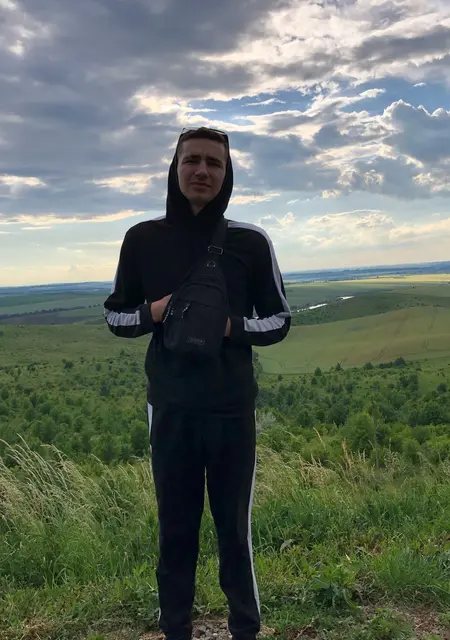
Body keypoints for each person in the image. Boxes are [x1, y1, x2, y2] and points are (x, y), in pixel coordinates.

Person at [104, 127, 291, 640]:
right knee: (176, 529)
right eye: (192, 160)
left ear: (228, 174)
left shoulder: (250, 242)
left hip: (231, 407)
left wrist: (228, 327)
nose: (202, 171)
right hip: (170, 407)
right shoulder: (142, 239)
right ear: (175, 167)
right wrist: (157, 312)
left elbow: (279, 321)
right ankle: (176, 630)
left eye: (214, 163)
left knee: (234, 530)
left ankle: (245, 629)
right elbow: (116, 316)